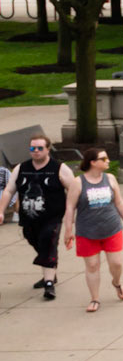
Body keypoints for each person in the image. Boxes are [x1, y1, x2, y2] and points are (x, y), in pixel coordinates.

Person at [0, 128, 75, 302]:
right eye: (33, 148)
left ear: (48, 149)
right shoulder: (21, 168)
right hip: (29, 218)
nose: (36, 151)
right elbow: (9, 190)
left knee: (48, 240)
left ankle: (49, 284)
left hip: (52, 216)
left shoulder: (59, 168)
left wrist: (72, 214)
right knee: (38, 243)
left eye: (40, 148)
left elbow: (73, 190)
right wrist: (1, 211)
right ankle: (51, 269)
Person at [61, 146, 123, 312]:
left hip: (111, 228)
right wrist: (68, 230)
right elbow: (70, 208)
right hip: (87, 231)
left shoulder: (110, 178)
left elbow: (119, 202)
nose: (108, 161)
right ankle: (95, 299)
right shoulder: (78, 183)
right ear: (92, 162)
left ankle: (116, 282)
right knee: (92, 266)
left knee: (116, 263)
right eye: (103, 159)